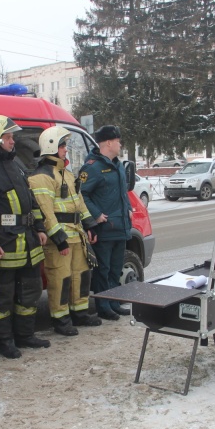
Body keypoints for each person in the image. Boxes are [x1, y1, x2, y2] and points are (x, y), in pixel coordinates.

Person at [0, 115, 50, 358]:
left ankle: (25, 335)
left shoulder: (14, 164)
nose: (13, 141)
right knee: (2, 296)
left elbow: (30, 200)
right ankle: (4, 341)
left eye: (12, 136)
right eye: (8, 137)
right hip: (3, 244)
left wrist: (40, 227)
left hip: (27, 241)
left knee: (29, 290)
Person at [28, 126, 102, 337]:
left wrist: (90, 225)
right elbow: (45, 211)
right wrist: (58, 238)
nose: (65, 150)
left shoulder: (66, 174)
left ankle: (80, 313)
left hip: (77, 235)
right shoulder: (40, 178)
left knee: (81, 275)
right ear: (51, 146)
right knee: (60, 279)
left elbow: (79, 203)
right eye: (62, 146)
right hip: (59, 239)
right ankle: (60, 319)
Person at [79, 125, 133, 321]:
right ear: (108, 143)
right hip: (105, 228)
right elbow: (82, 194)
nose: (120, 144)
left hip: (120, 226)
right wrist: (96, 215)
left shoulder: (117, 164)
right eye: (118, 141)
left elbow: (122, 191)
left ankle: (114, 302)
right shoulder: (92, 167)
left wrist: (128, 208)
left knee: (115, 269)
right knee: (103, 270)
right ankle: (103, 306)